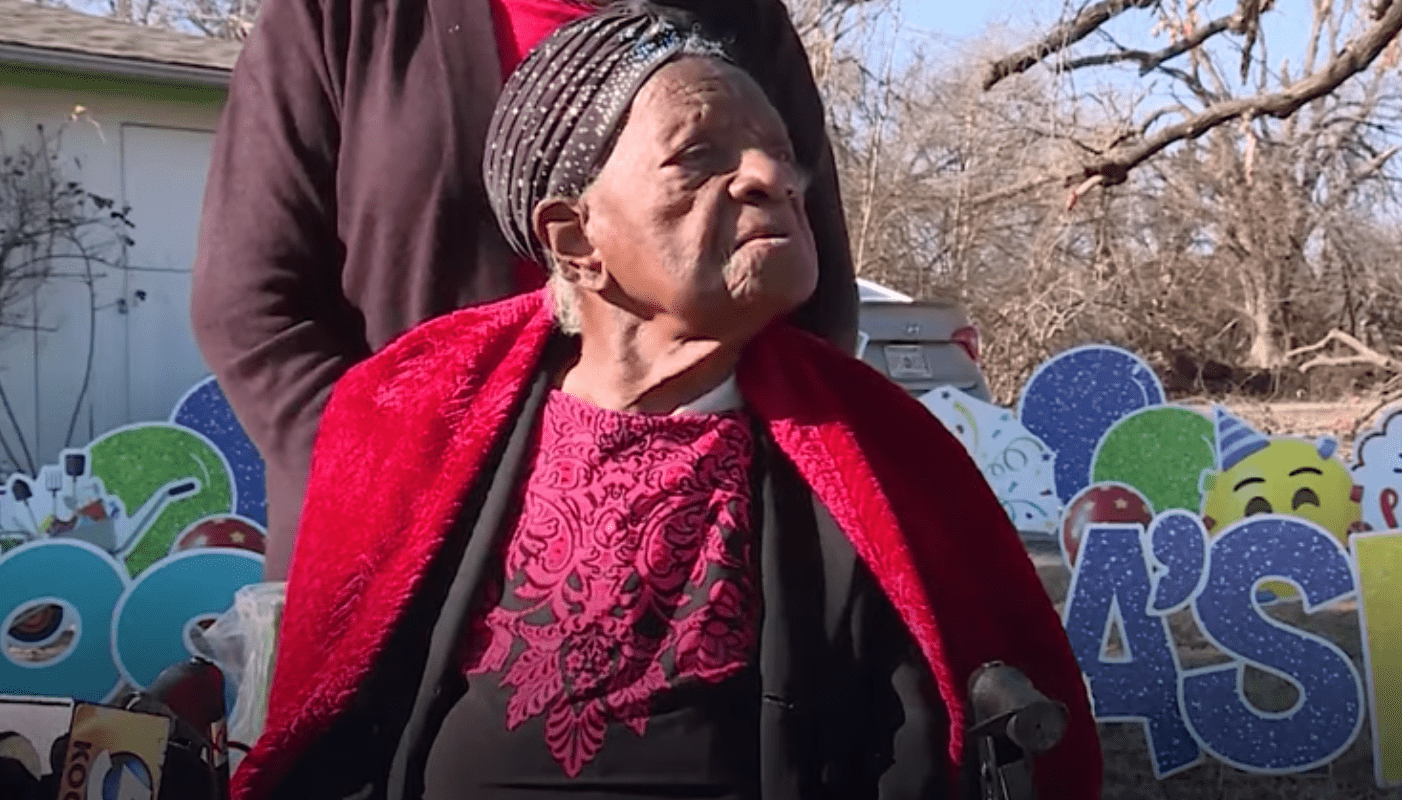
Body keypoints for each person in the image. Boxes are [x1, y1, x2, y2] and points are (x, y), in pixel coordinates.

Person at [230, 5, 1102, 800]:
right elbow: (252, 307)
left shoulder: (880, 470)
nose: (773, 173)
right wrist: (393, 486)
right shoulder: (419, 463)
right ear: (574, 240)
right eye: (698, 154)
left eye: (778, 149)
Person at [190, 0, 859, 582]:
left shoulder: (743, 20)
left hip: (698, 547)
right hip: (399, 555)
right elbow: (252, 308)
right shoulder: (345, 15)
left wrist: (713, 487)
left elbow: (810, 291)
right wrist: (397, 487)